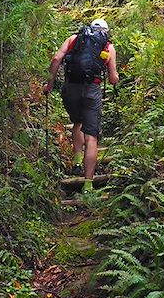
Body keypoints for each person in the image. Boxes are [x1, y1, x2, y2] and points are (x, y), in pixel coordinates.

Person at [43, 18, 119, 192]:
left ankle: (77, 159)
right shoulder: (108, 46)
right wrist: (113, 77)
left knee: (77, 122)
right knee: (91, 137)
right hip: (92, 90)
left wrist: (49, 84)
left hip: (70, 88)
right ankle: (88, 184)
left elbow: (56, 59)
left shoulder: (74, 39)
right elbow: (113, 78)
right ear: (105, 32)